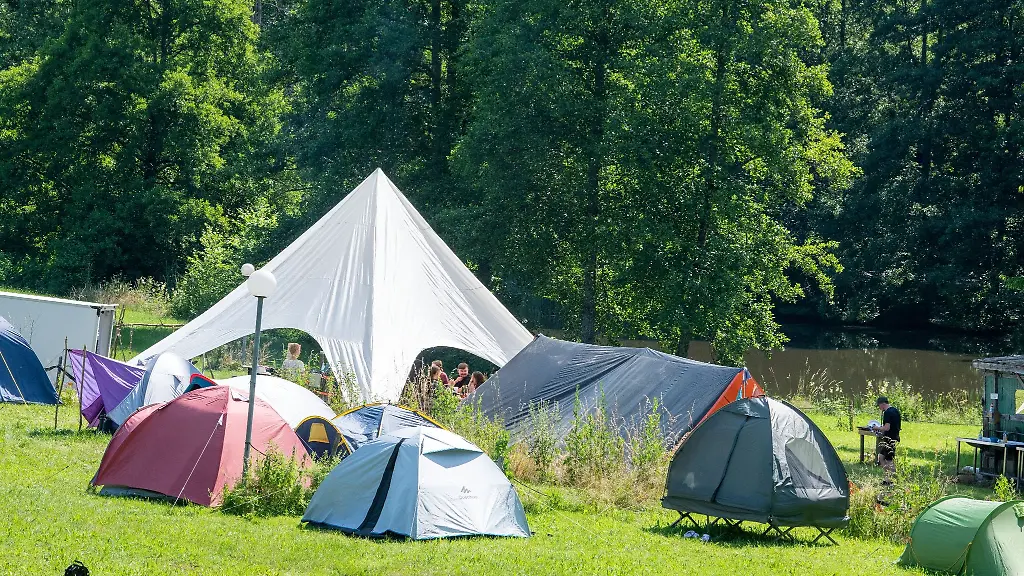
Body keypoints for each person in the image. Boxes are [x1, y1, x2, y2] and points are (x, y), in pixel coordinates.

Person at [873, 396, 901, 481]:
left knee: (889, 460)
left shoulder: (887, 413)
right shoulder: (895, 410)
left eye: (879, 406)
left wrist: (877, 428)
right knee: (881, 457)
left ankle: (892, 479)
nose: (879, 408)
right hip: (895, 436)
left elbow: (887, 428)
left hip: (890, 439)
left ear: (883, 404)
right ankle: (887, 478)